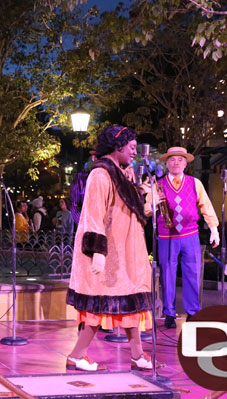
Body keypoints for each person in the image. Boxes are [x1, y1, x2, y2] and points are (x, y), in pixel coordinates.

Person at [66, 126, 153, 372]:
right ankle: (76, 355)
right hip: (109, 251)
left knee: (131, 303)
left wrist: (148, 203)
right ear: (118, 146)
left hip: (127, 251)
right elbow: (93, 214)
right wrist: (97, 253)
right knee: (99, 304)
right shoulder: (101, 174)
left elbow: (128, 212)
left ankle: (137, 355)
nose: (135, 152)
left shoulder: (124, 173)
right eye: (132, 147)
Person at [145, 146, 219, 329]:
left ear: (185, 164)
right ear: (167, 163)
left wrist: (214, 229)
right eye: (172, 159)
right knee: (168, 275)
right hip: (166, 236)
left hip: (190, 234)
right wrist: (154, 204)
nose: (175, 163)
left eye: (179, 160)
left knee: (192, 273)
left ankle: (193, 312)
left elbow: (206, 206)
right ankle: (169, 313)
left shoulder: (195, 183)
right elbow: (146, 210)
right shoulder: (158, 184)